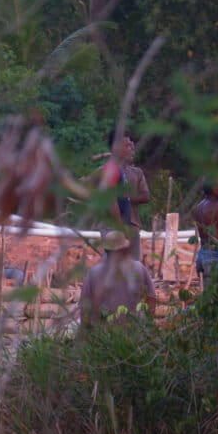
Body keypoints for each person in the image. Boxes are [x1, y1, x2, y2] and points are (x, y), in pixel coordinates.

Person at [78, 230, 157, 328]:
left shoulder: (94, 272)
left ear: (106, 251)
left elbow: (85, 308)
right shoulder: (139, 268)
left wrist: (86, 334)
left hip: (104, 334)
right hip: (136, 332)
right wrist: (148, 326)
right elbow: (151, 300)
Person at [95, 129, 150, 260]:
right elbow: (110, 201)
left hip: (132, 224)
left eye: (132, 145)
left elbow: (146, 196)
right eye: (127, 145)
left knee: (134, 265)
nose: (132, 148)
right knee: (115, 264)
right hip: (113, 225)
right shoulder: (106, 171)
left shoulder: (136, 173)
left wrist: (126, 198)